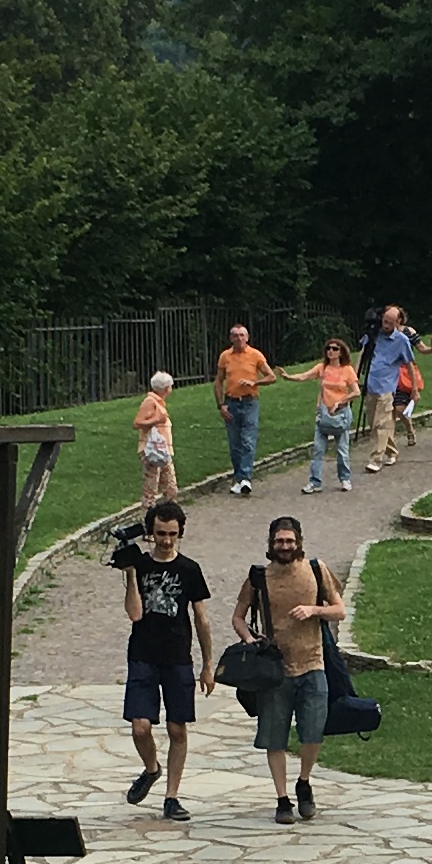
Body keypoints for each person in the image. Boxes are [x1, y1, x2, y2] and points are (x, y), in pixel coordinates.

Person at [232, 511, 345, 824]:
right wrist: (250, 639)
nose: (284, 546)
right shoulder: (258, 577)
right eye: (279, 541)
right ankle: (282, 798)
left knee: (313, 731)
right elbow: (238, 616)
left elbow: (339, 610)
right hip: (274, 669)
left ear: (299, 542)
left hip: (313, 662)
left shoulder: (316, 570)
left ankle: (304, 781)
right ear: (271, 543)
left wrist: (313, 610)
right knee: (274, 737)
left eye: (289, 541)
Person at [118, 497, 212, 816]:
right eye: (161, 533)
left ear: (179, 533)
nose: (167, 540)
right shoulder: (141, 565)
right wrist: (131, 574)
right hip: (143, 654)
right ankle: (151, 768)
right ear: (151, 533)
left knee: (177, 729)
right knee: (140, 727)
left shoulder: (190, 569)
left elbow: (201, 619)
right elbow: (134, 613)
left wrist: (207, 665)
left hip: (177, 657)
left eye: (172, 534)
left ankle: (172, 796)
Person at [214, 323, 276, 495]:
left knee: (248, 440)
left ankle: (245, 478)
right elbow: (218, 381)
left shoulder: (255, 355)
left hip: (250, 402)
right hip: (231, 402)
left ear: (247, 338)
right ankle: (239, 478)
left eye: (242, 335)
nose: (239, 338)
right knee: (235, 444)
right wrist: (220, 405)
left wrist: (254, 382)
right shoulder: (225, 356)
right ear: (231, 338)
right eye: (235, 335)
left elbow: (271, 377)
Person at [361, 306, 419, 471]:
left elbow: (409, 365)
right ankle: (392, 451)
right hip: (371, 385)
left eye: (390, 323)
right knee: (374, 423)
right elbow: (363, 354)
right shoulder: (374, 335)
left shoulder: (402, 340)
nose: (386, 325)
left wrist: (414, 389)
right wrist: (355, 378)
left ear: (398, 322)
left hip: (387, 388)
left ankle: (375, 460)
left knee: (381, 424)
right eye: (385, 321)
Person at [304, 334, 360, 492]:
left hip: (340, 414)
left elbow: (356, 392)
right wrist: (288, 377)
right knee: (318, 449)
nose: (331, 351)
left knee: (342, 449)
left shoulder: (347, 370)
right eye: (328, 348)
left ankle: (345, 479)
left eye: (335, 349)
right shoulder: (322, 368)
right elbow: (305, 376)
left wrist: (340, 402)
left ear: (341, 352)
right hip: (324, 413)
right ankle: (314, 482)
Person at [132, 370, 177, 507]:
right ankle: (149, 513)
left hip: (163, 451)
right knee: (151, 487)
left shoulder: (159, 402)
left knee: (171, 487)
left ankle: (170, 512)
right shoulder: (150, 402)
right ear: (166, 388)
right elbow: (137, 423)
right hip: (152, 450)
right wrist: (156, 420)